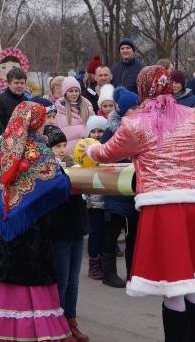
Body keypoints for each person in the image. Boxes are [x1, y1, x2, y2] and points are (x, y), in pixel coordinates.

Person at [85, 66, 195, 341]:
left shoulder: (135, 123)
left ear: (142, 88)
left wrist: (88, 149)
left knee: (174, 287)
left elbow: (106, 153)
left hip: (164, 208)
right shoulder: (193, 115)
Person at [0, 101, 75, 342]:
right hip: (32, 231)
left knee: (2, 283)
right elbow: (60, 185)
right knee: (31, 284)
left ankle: (2, 333)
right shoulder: (39, 151)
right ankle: (33, 333)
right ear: (36, 123)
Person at [44, 125, 90, 342]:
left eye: (63, 145)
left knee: (73, 280)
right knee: (61, 280)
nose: (62, 150)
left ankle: (71, 321)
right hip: (59, 229)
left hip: (76, 226)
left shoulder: (72, 163)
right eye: (56, 146)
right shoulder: (46, 169)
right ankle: (58, 325)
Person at [99, 87, 142, 288]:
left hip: (136, 189)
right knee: (112, 232)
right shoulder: (111, 132)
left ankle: (134, 273)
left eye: (138, 106)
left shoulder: (143, 129)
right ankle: (108, 272)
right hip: (116, 189)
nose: (137, 110)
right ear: (123, 110)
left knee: (135, 232)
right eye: (133, 107)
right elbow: (104, 156)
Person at [84, 116, 109, 281]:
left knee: (106, 234)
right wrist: (86, 198)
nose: (97, 134)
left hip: (108, 200)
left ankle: (104, 262)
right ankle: (93, 263)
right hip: (93, 202)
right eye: (93, 131)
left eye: (101, 130)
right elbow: (81, 176)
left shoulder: (109, 149)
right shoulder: (83, 152)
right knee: (95, 233)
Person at [55, 77, 95, 154]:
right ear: (65, 93)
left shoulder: (88, 108)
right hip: (69, 154)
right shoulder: (59, 111)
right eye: (70, 91)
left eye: (76, 91)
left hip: (88, 152)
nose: (74, 94)